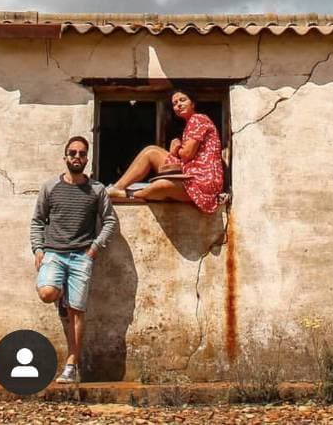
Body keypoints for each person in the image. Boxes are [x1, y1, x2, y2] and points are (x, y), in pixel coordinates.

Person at [31, 135, 118, 384]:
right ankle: (60, 299)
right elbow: (38, 221)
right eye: (72, 153)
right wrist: (38, 249)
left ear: (87, 158)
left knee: (77, 311)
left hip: (82, 256)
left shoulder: (96, 190)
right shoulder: (50, 188)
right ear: (65, 156)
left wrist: (94, 248)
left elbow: (109, 221)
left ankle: (71, 364)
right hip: (54, 254)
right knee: (47, 293)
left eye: (81, 153)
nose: (77, 157)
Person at [107, 89, 224, 214]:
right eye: (175, 103)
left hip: (201, 181)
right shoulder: (191, 123)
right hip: (188, 174)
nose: (178, 105)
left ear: (193, 104)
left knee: (162, 185)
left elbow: (186, 154)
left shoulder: (198, 119)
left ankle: (127, 193)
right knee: (151, 151)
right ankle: (117, 188)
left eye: (182, 100)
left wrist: (177, 146)